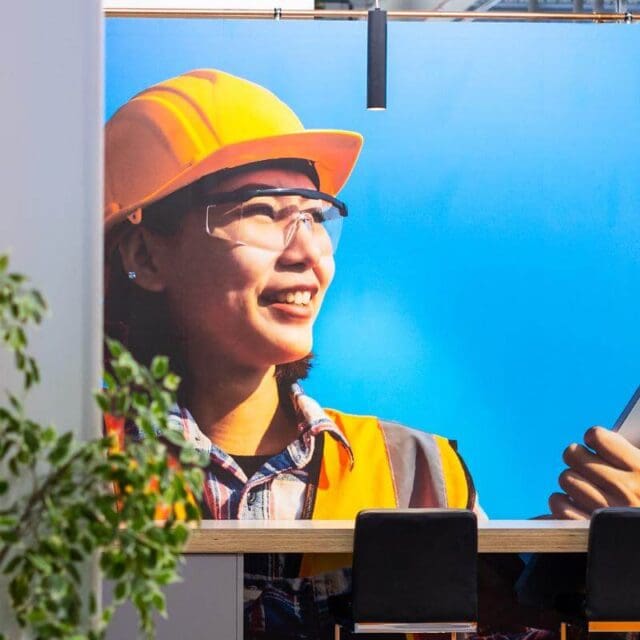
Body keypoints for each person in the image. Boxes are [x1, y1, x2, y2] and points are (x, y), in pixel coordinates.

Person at [103, 68, 480, 639]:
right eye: (260, 211)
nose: (308, 251)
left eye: (314, 216)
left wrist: (597, 562)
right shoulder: (70, 470)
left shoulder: (420, 473)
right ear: (146, 256)